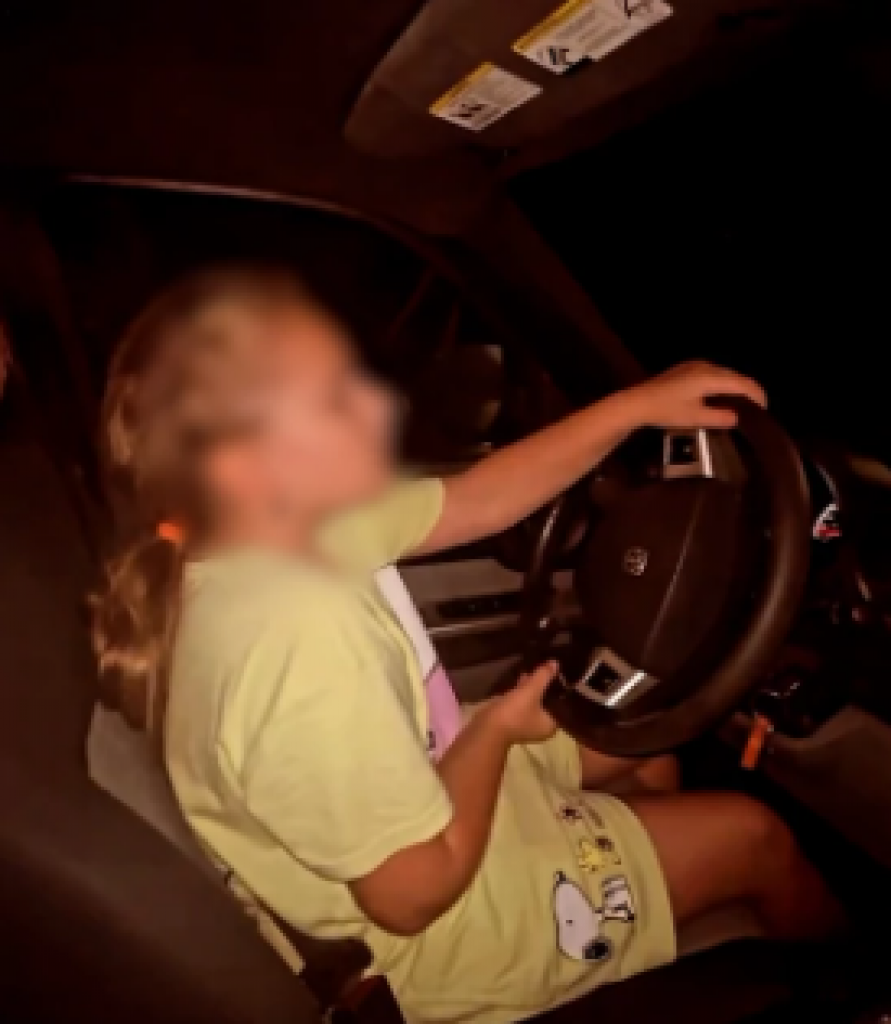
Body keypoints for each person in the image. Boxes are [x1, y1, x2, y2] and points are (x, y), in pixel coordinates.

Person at [91, 265, 841, 1024]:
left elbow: (477, 500)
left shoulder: (283, 535)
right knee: (756, 838)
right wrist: (496, 732)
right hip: (437, 942)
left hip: (428, 786)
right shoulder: (299, 634)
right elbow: (411, 895)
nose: (373, 404)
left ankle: (648, 920)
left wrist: (636, 407)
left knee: (649, 747)